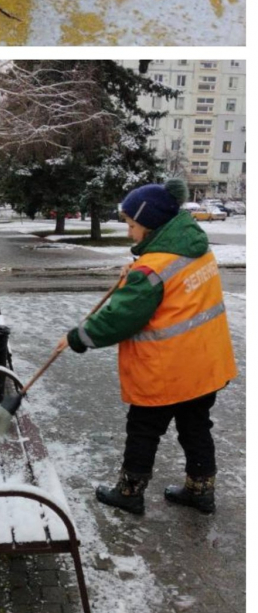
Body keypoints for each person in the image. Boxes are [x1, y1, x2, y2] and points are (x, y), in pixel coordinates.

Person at [57, 178, 237, 516]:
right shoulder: (194, 249)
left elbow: (120, 318)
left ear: (151, 223)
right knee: (196, 427)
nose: (128, 233)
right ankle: (200, 491)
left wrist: (78, 337)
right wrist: (139, 272)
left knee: (143, 430)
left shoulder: (152, 270)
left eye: (131, 224)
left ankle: (129, 492)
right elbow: (174, 292)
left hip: (167, 370)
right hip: (205, 364)